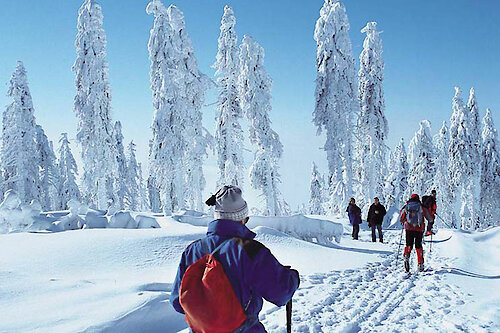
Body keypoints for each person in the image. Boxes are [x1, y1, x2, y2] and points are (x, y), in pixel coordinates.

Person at [170, 185, 300, 332]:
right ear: (242, 218)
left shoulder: (191, 252)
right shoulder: (249, 250)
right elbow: (282, 292)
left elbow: (177, 301)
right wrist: (293, 278)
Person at [399, 193, 435, 272]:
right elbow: (430, 218)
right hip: (419, 229)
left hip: (408, 228)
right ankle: (420, 263)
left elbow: (401, 218)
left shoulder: (407, 206)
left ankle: (406, 255)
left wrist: (404, 221)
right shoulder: (421, 207)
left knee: (409, 244)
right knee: (418, 246)